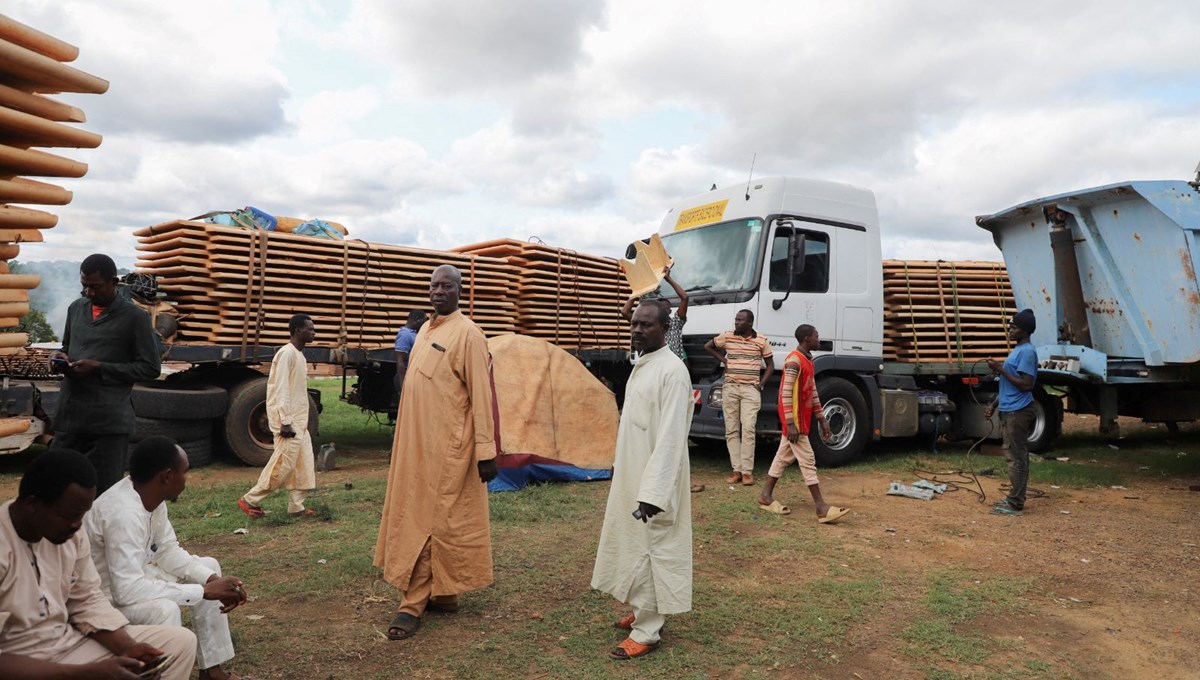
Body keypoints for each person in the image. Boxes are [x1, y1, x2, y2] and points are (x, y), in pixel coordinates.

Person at [374, 264, 500, 641]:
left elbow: (483, 395)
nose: (438, 291)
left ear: (460, 291)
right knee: (428, 517)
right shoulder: (426, 330)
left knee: (431, 521)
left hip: (449, 449)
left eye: (446, 285)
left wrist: (487, 451)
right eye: (434, 285)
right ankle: (443, 594)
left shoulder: (469, 334)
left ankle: (412, 603)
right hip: (415, 448)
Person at [0, 448, 196, 680]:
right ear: (32, 504)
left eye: (82, 516)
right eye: (69, 516)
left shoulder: (69, 533)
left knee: (180, 643)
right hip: (21, 665)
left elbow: (86, 599)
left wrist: (127, 648)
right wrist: (84, 674)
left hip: (69, 645)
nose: (76, 525)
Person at [85, 436, 249, 680]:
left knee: (208, 566)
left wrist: (212, 580)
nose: (187, 479)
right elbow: (125, 590)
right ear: (167, 476)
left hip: (138, 577)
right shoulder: (123, 514)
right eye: (185, 472)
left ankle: (213, 672)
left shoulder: (149, 495)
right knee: (165, 609)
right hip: (106, 600)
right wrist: (204, 591)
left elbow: (167, 551)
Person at [592, 301, 693, 660]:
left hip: (655, 481)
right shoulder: (644, 362)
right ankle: (641, 608)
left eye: (645, 325)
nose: (637, 330)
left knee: (654, 548)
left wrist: (654, 491)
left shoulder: (673, 371)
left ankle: (648, 630)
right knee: (634, 544)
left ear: (665, 328)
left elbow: (669, 438)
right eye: (633, 324)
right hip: (634, 471)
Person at [49, 253, 162, 494]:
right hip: (70, 418)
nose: (89, 293)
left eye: (95, 287)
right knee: (57, 490)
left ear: (113, 282)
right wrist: (58, 358)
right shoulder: (76, 309)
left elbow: (150, 368)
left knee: (103, 496)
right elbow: (66, 347)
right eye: (84, 286)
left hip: (108, 425)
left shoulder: (135, 318)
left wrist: (100, 368)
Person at [757, 325, 849, 523]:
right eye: (816, 336)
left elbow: (812, 391)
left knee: (782, 458)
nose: (819, 339)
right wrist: (790, 423)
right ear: (807, 338)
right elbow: (785, 393)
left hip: (800, 421)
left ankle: (765, 496)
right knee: (808, 461)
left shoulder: (808, 360)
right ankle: (821, 507)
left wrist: (822, 419)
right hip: (796, 423)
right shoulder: (794, 361)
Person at [237, 313, 318, 519]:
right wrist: (285, 422)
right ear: (298, 330)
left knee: (304, 463)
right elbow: (280, 388)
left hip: (298, 421)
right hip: (288, 421)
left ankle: (296, 506)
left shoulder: (299, 355)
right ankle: (250, 499)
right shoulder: (286, 354)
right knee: (283, 464)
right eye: (310, 329)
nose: (313, 332)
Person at [704, 309, 774, 485]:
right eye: (736, 319)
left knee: (749, 428)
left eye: (740, 320)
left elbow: (771, 365)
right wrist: (724, 360)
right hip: (731, 388)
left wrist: (761, 384)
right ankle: (737, 470)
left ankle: (747, 472)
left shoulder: (761, 340)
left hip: (751, 389)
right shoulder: (727, 336)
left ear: (750, 323)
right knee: (732, 430)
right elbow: (708, 346)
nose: (736, 322)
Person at [985, 308, 1039, 516]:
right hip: (1009, 409)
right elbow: (1009, 382)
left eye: (1014, 327)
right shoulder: (1018, 350)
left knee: (1016, 457)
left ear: (1025, 331)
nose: (1010, 329)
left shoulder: (1027, 352)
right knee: (1013, 455)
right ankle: (1014, 499)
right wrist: (993, 404)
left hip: (1018, 411)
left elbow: (1026, 384)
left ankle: (1015, 503)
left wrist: (1000, 369)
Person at [619, 266, 689, 362]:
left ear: (670, 311)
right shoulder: (647, 325)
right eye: (660, 307)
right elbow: (624, 312)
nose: (663, 309)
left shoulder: (675, 324)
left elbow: (684, 298)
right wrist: (638, 291)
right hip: (652, 364)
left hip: (673, 365)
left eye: (666, 307)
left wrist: (668, 278)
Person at [394, 309, 429, 394]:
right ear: (417, 319)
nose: (424, 325)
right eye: (423, 322)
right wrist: (402, 384)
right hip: (407, 378)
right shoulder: (405, 335)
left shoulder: (414, 334)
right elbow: (400, 361)